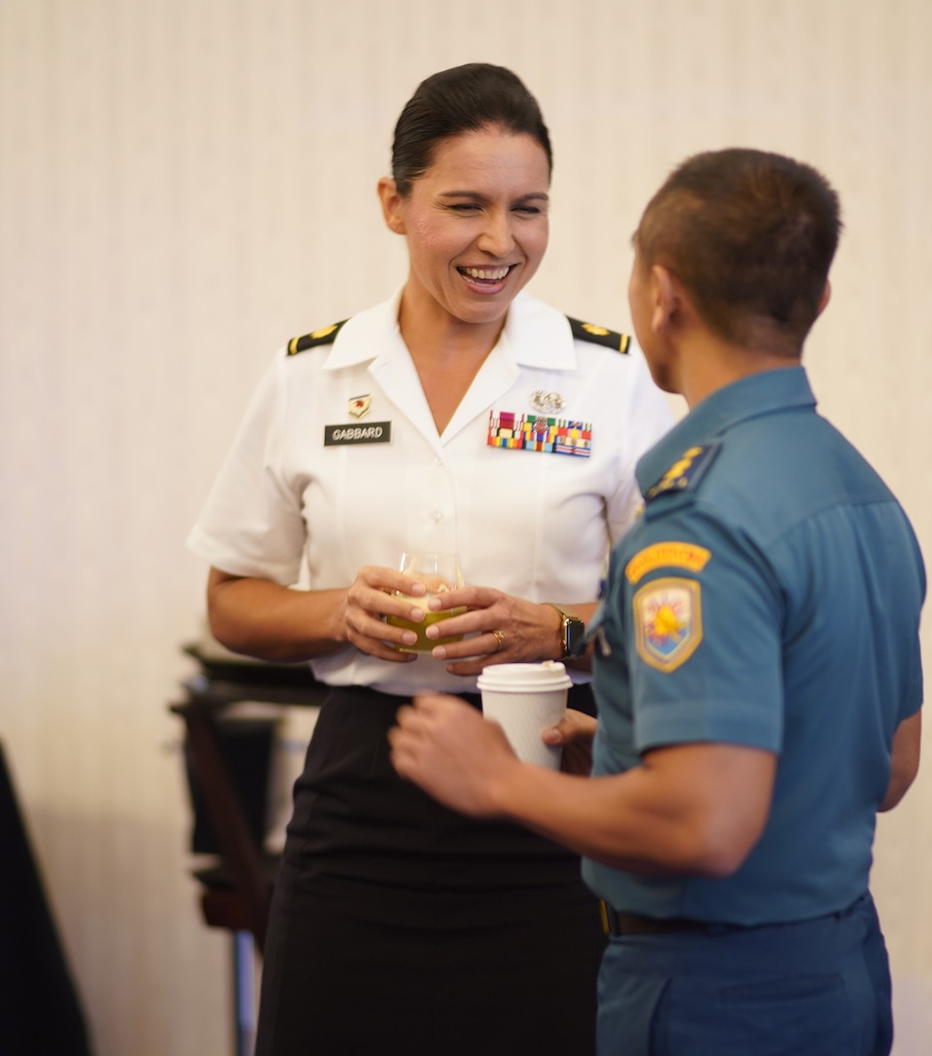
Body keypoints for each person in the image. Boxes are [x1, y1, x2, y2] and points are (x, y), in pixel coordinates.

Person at [390, 148, 926, 1056]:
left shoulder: (696, 526)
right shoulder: (861, 490)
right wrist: (640, 746)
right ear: (818, 301)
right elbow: (884, 768)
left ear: (661, 296)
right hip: (838, 969)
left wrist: (499, 780)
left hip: (717, 998)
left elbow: (701, 825)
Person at [186, 63, 676, 1055]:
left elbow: (677, 604)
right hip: (365, 786)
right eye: (464, 206)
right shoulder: (309, 376)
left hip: (550, 788)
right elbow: (230, 603)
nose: (501, 241)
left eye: (526, 208)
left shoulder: (605, 377)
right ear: (394, 205)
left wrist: (566, 631)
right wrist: (337, 614)